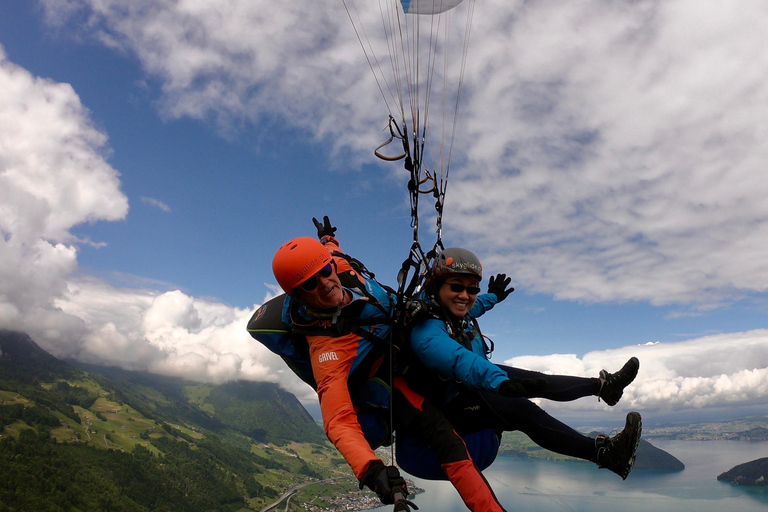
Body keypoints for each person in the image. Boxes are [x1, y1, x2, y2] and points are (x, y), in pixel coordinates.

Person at [255, 218, 511, 511]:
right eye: (309, 284)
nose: (325, 283)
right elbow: (338, 420)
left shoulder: (340, 266)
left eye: (324, 271)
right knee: (448, 443)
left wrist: (327, 238)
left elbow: (331, 252)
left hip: (409, 339)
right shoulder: (326, 349)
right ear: (297, 295)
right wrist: (371, 471)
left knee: (440, 313)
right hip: (393, 379)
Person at [406, 247, 643, 480]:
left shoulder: (448, 309)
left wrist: (494, 296)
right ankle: (606, 455)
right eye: (456, 287)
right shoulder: (426, 333)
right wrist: (500, 383)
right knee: (524, 411)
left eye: (472, 288)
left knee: (537, 379)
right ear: (437, 286)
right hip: (442, 414)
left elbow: (473, 306)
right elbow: (461, 360)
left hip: (464, 388)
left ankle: (605, 387)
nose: (465, 295)